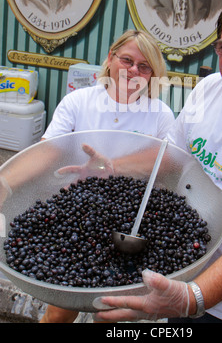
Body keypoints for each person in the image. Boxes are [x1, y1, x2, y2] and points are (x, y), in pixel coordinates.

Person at [95, 0, 222, 324]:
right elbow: (171, 155)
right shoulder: (211, 89)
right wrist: (114, 166)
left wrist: (192, 298)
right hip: (184, 271)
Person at [39, 28, 175, 323]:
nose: (133, 70)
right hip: (76, 217)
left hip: (131, 225)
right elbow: (46, 152)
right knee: (60, 309)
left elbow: (165, 162)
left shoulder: (160, 114)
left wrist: (111, 166)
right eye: (127, 60)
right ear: (111, 59)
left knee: (114, 314)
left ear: (153, 74)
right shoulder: (78, 102)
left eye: (144, 66)